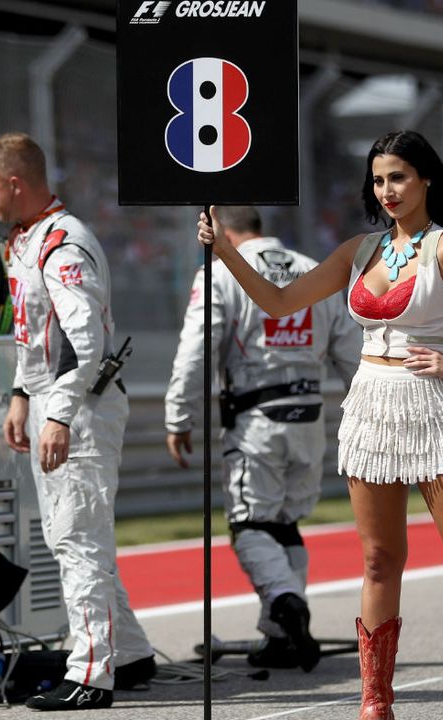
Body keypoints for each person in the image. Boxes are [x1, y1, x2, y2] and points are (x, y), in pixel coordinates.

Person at [197, 130, 443, 720]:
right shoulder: (359, 250)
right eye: (379, 180)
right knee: (379, 561)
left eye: (399, 177)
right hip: (369, 408)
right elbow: (281, 303)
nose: (387, 190)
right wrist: (227, 252)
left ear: (426, 178)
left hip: (436, 407)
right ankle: (375, 704)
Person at [0, 132, 155, 711]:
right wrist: (19, 396)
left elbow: (86, 342)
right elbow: (35, 338)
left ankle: (90, 674)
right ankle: (127, 654)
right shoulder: (24, 240)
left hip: (81, 406)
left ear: (16, 183)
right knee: (72, 536)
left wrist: (56, 413)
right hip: (54, 401)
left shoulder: (62, 243)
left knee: (77, 541)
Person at [164, 206, 361, 672]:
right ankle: (281, 638)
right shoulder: (313, 268)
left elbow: (196, 350)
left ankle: (285, 600)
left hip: (256, 418)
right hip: (309, 416)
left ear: (222, 230)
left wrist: (179, 416)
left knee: (250, 524)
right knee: (285, 522)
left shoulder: (220, 271)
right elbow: (351, 351)